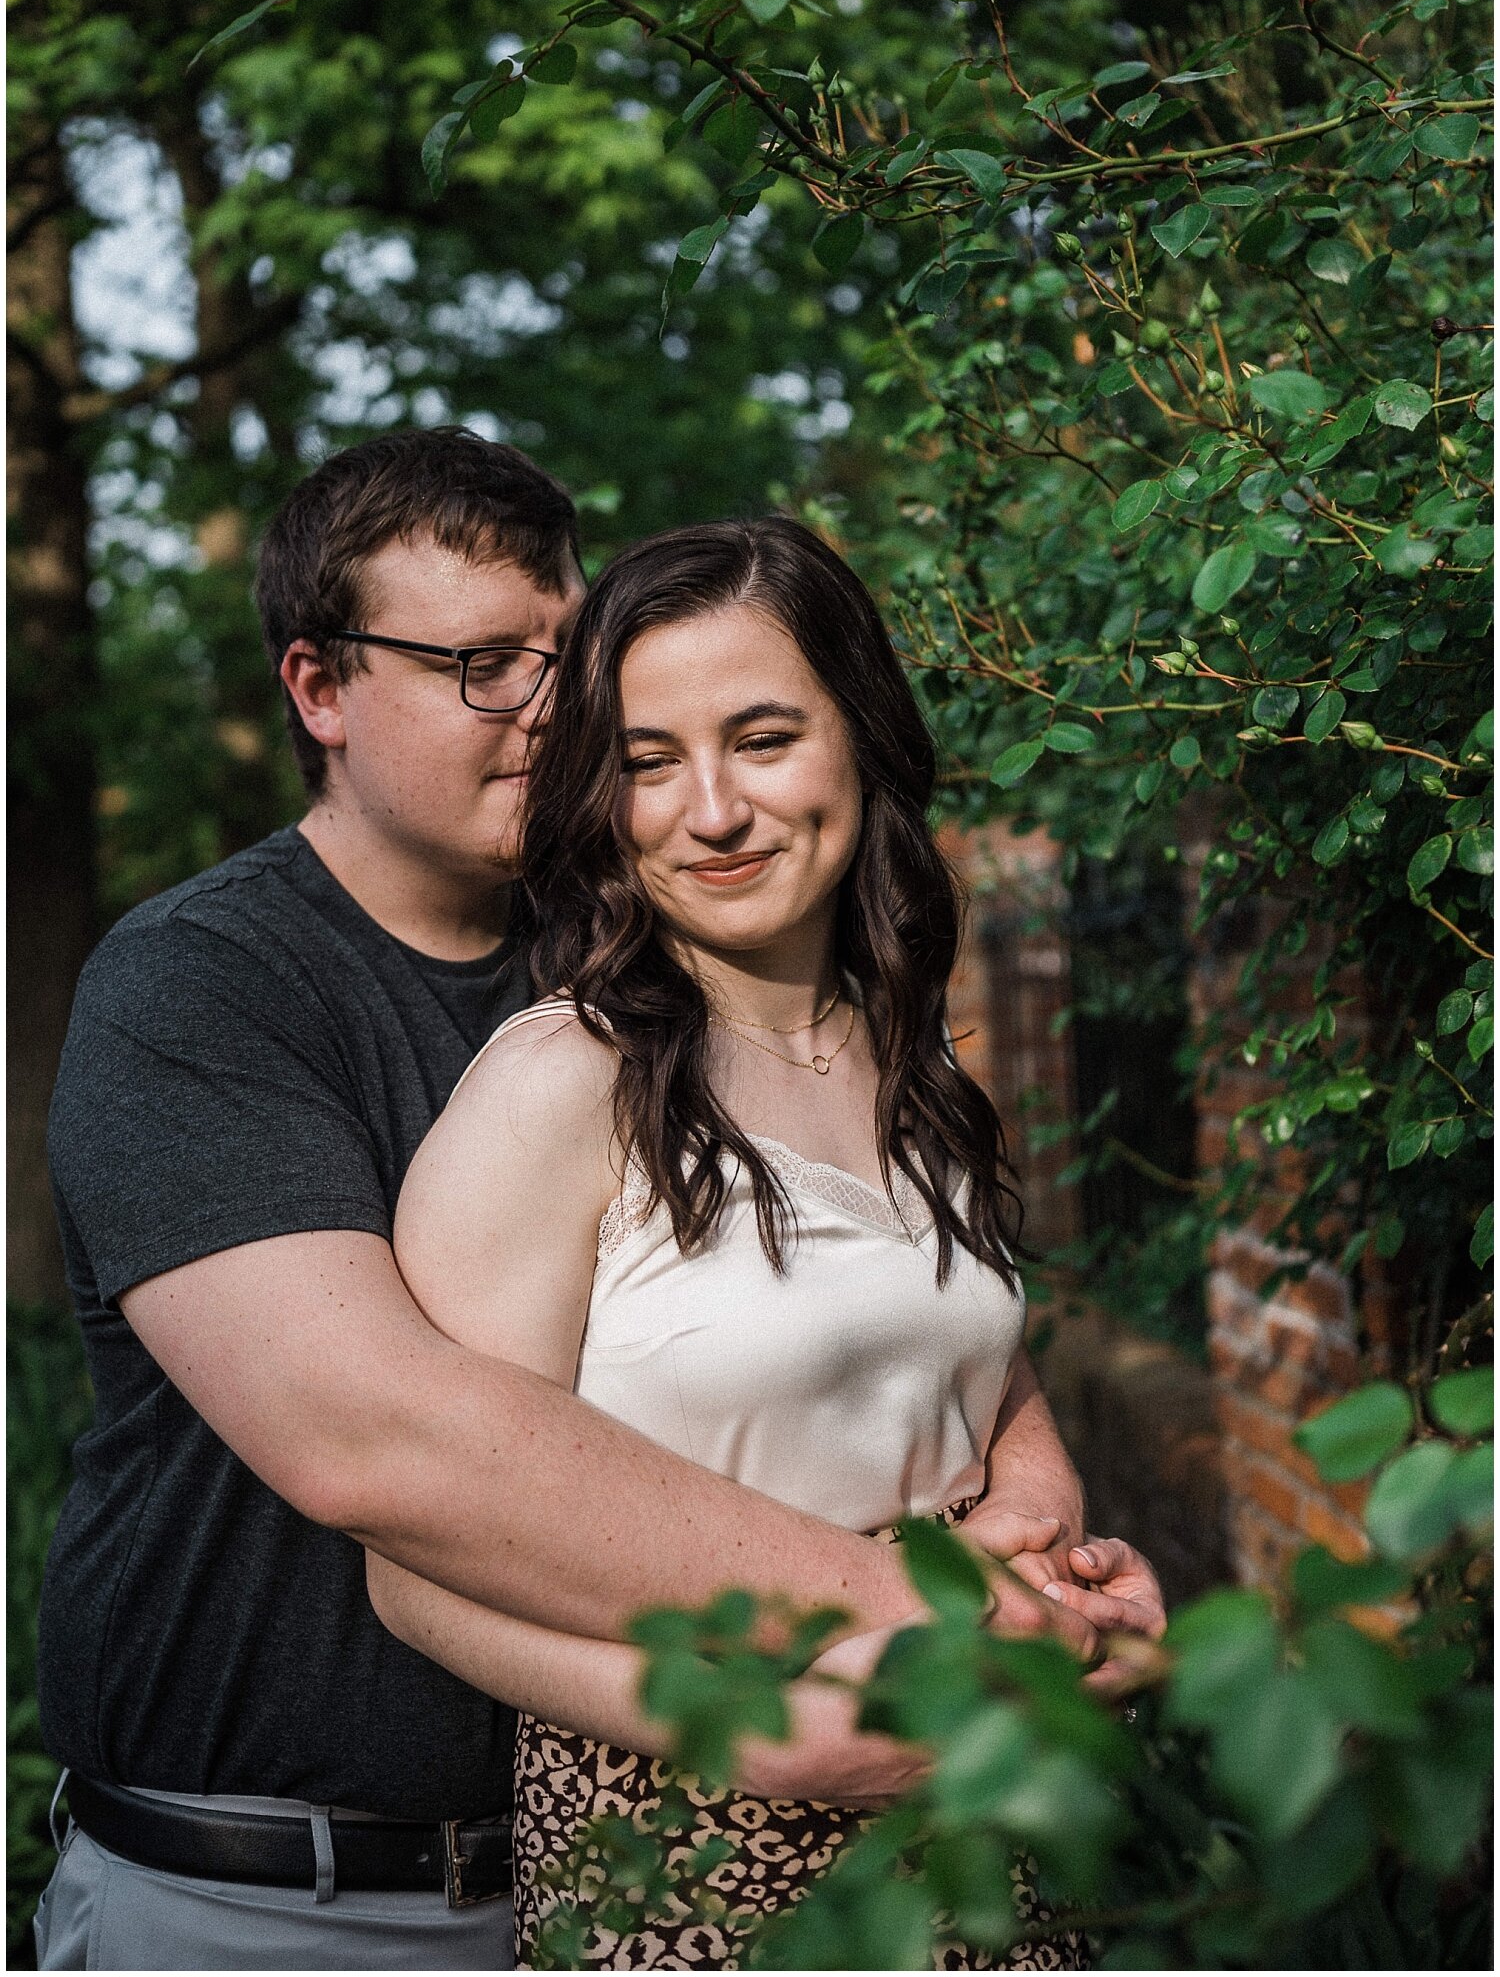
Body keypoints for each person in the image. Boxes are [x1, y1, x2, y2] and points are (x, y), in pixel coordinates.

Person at [34, 434, 1164, 1973]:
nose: (556, 709)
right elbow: (379, 1440)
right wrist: (891, 1613)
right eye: (483, 665)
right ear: (318, 691)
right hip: (285, 1894)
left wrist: (1026, 1512)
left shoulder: (678, 953)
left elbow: (886, 1299)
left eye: (568, 658)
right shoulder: (208, 991)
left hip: (666, 1835)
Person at [366, 517, 1159, 1970]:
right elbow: (414, 1571)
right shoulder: (559, 1088)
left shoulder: (924, 1070)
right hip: (688, 1842)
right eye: (650, 762)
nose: (711, 810)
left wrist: (1060, 1569)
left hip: (983, 1819)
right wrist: (763, 1741)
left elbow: (984, 1382)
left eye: (764, 738)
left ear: (860, 737)